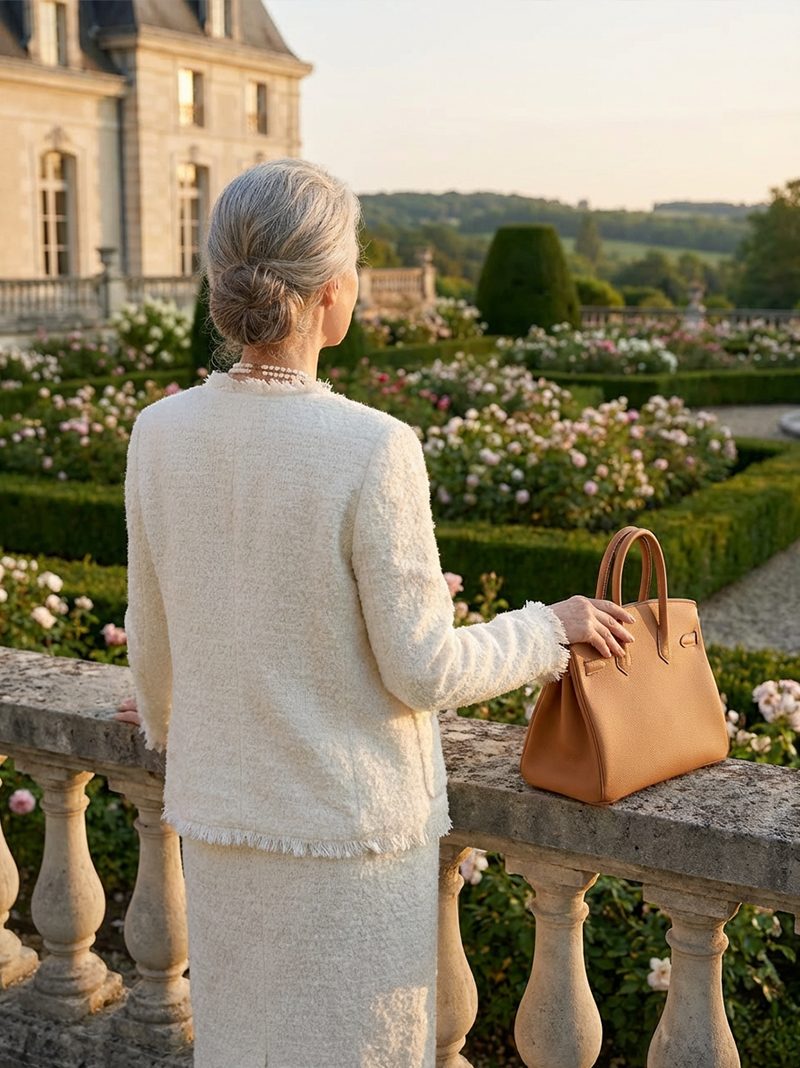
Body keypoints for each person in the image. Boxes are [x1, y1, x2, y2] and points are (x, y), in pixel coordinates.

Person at [114, 158, 635, 1068]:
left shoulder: (160, 433)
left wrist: (164, 722)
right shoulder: (371, 446)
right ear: (328, 292)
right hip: (349, 846)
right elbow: (423, 668)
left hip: (222, 829)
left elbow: (153, 642)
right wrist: (551, 628)